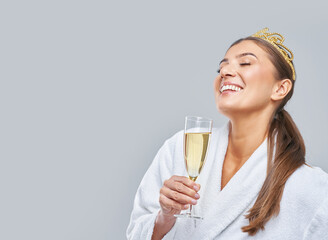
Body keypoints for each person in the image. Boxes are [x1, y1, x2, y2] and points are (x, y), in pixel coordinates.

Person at [126, 28, 328, 240]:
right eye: (221, 67)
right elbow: (135, 234)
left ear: (280, 88)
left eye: (245, 63)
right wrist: (164, 218)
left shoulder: (312, 189)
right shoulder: (181, 146)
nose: (225, 72)